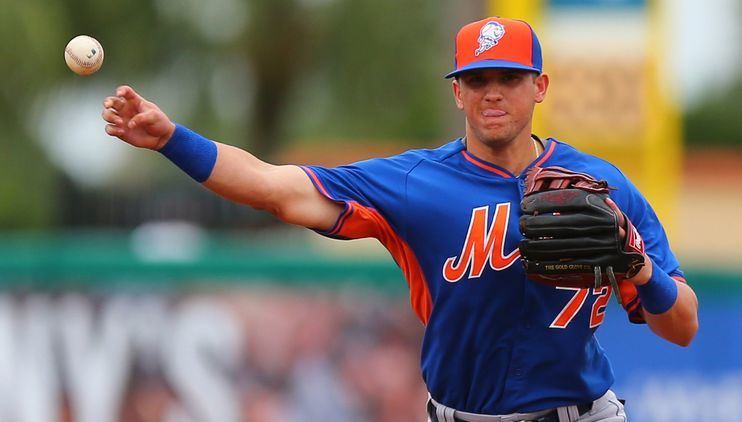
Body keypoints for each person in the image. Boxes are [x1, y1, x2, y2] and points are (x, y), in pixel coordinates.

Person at [101, 17, 698, 422]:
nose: (493, 93)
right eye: (477, 79)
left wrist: (640, 268)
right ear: (457, 93)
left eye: (509, 79)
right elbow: (273, 189)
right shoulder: (414, 183)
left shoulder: (601, 186)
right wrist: (172, 140)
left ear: (539, 87)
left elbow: (682, 325)